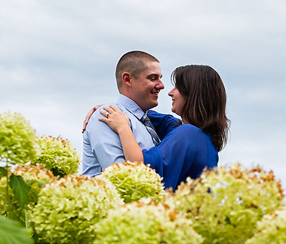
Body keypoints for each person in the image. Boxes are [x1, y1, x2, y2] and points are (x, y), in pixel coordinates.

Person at [98, 64, 229, 190]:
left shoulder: (188, 134)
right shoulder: (200, 137)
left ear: (193, 94)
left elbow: (139, 166)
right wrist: (113, 109)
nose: (170, 93)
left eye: (177, 88)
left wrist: (122, 127)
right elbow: (142, 113)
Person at [80, 50, 167, 176]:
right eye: (153, 78)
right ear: (127, 79)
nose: (162, 85)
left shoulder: (147, 122)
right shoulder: (105, 116)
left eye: (160, 78)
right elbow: (119, 176)